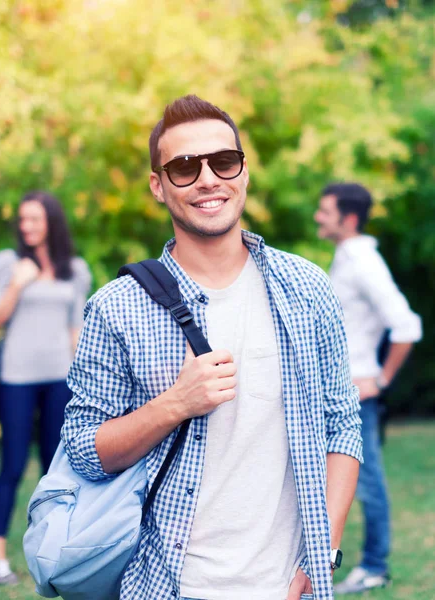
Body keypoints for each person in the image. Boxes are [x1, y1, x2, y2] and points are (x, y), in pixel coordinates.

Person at [62, 95, 363, 600]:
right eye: (183, 167)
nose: (207, 179)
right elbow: (84, 452)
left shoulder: (307, 288)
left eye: (223, 161)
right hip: (168, 584)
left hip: (287, 586)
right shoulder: (116, 308)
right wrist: (175, 405)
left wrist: (322, 555)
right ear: (158, 186)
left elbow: (342, 423)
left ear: (243, 172)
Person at [315, 182, 422, 594]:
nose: (318, 218)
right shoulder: (346, 257)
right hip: (338, 391)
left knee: (368, 482)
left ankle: (375, 565)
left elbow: (407, 325)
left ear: (349, 218)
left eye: (326, 211)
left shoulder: (364, 260)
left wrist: (380, 380)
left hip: (358, 396)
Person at [0, 190, 91, 585]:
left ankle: (55, 552)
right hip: (17, 378)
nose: (27, 226)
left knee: (56, 468)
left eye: (35, 219)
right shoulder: (9, 263)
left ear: (52, 222)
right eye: (22, 219)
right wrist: (17, 284)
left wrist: (85, 381)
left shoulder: (74, 269)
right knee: (11, 466)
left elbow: (76, 329)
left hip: (60, 378)